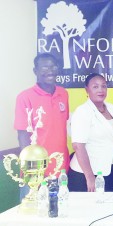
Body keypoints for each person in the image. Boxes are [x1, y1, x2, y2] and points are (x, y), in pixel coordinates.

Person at [14, 53, 69, 200]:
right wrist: (33, 170)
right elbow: (23, 135)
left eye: (53, 66)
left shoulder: (63, 94)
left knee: (59, 214)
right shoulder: (24, 97)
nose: (50, 70)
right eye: (45, 67)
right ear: (35, 71)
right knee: (32, 217)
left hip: (61, 169)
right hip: (35, 172)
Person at [68, 73, 113, 192]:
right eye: (95, 87)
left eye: (103, 86)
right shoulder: (82, 111)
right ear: (87, 89)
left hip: (111, 169)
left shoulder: (112, 108)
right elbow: (78, 146)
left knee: (112, 209)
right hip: (86, 174)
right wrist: (89, 178)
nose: (100, 90)